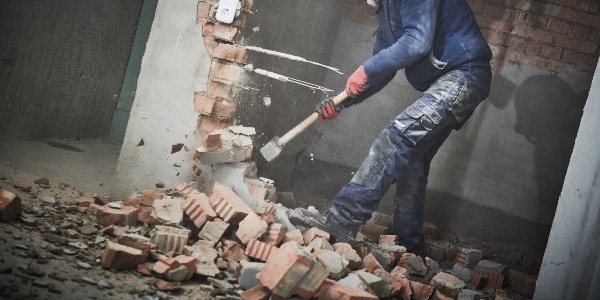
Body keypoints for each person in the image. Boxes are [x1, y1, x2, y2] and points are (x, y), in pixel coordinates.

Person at [290, 0, 492, 258]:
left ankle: (343, 218)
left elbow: (417, 42)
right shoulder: (387, 9)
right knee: (414, 161)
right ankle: (411, 248)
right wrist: (343, 100)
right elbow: (381, 70)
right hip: (450, 79)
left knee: (395, 138)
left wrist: (365, 68)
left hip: (464, 75)